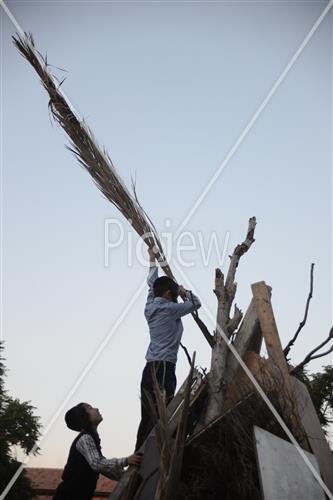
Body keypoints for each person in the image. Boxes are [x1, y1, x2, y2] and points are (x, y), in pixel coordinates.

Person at [135, 247, 201, 451]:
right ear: (167, 293)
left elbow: (150, 283)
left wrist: (152, 259)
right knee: (162, 412)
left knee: (147, 415)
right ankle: (156, 454)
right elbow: (195, 303)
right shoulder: (169, 308)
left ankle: (140, 453)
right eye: (172, 292)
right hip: (163, 367)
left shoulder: (150, 305)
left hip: (150, 367)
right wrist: (183, 291)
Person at [53, 403, 141, 500]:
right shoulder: (85, 438)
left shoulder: (92, 438)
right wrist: (126, 461)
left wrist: (128, 476)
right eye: (90, 408)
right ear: (83, 416)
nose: (96, 409)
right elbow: (97, 464)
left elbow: (104, 468)